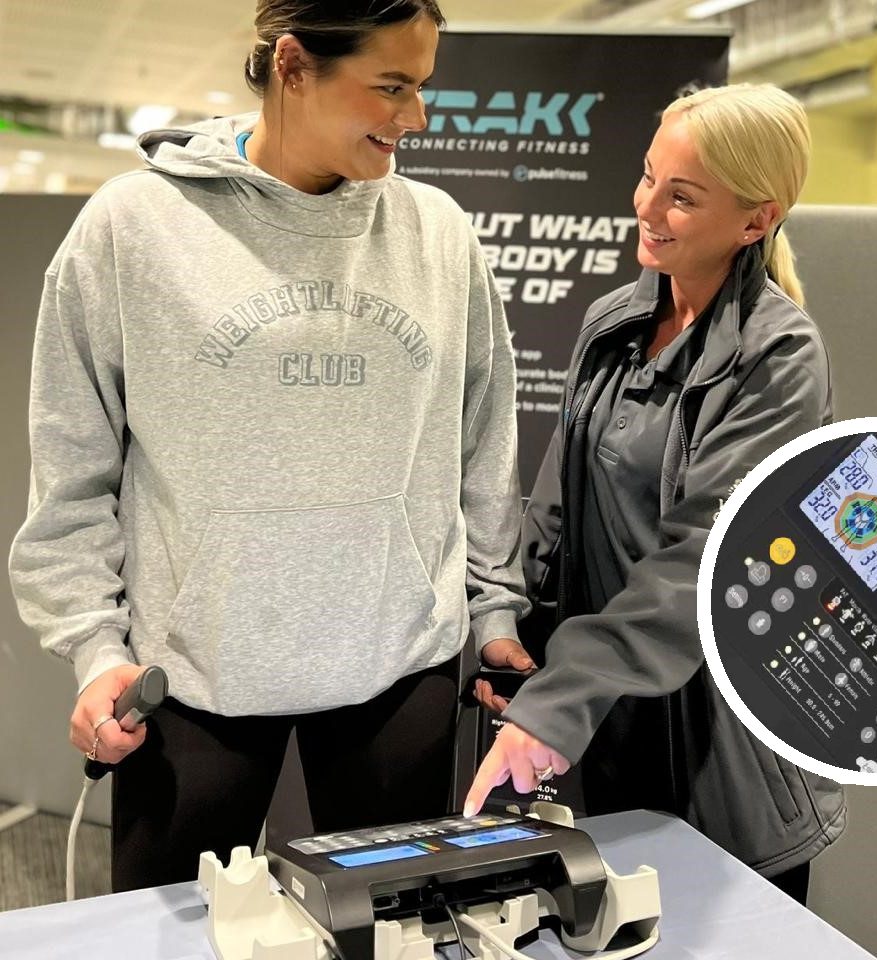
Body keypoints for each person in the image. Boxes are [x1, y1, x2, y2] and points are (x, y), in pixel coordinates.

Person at [9, 0, 528, 892]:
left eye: (422, 88)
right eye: (391, 86)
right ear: (293, 65)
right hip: (194, 676)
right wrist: (97, 649)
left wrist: (493, 612)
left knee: (393, 938)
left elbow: (481, 445)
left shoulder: (439, 232)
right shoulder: (131, 228)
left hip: (400, 667)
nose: (416, 118)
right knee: (165, 941)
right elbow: (73, 470)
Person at [467, 83, 845, 905]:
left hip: (717, 754)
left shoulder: (778, 357)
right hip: (610, 727)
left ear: (755, 220)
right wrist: (519, 631)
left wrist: (562, 697)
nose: (648, 207)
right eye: (647, 179)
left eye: (682, 196)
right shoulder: (612, 321)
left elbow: (704, 559)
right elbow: (558, 508)